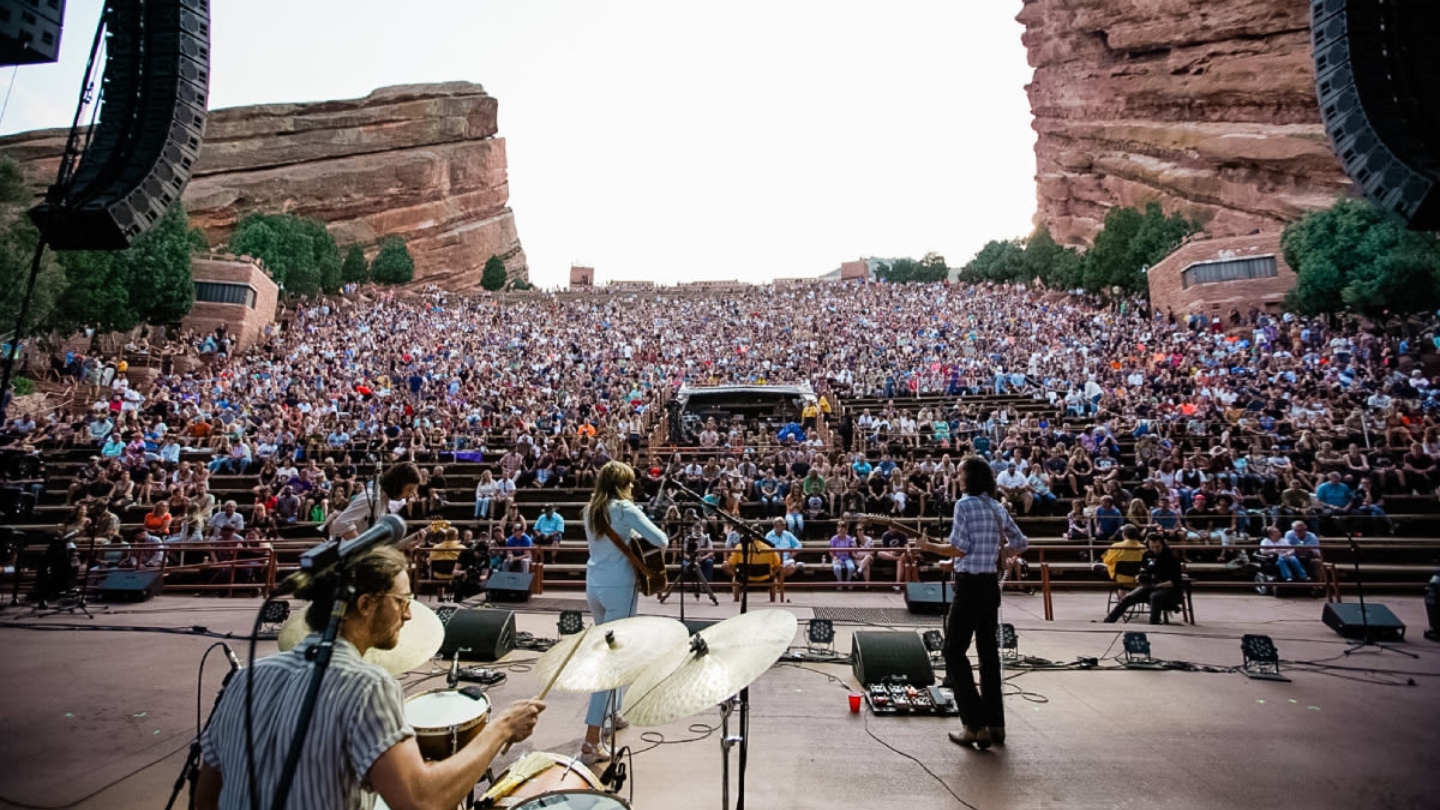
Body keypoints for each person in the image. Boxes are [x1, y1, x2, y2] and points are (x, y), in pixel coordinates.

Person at [196, 546, 545, 810]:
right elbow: (420, 802)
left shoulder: (245, 679)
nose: (409, 614)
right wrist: (501, 729)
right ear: (365, 604)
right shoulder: (368, 687)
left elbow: (205, 798)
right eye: (402, 601)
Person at [915, 456, 1027, 750]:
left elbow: (958, 549)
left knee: (953, 651)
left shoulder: (964, 505)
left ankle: (974, 725)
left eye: (961, 472)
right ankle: (996, 724)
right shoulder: (996, 506)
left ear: (969, 477)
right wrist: (1001, 551)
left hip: (969, 585)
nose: (957, 476)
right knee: (988, 653)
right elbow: (1021, 541)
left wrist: (928, 547)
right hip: (990, 584)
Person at [581, 461, 668, 765]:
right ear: (621, 484)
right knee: (611, 661)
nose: (633, 487)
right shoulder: (624, 510)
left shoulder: (589, 510)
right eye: (629, 483)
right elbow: (661, 540)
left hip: (594, 585)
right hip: (619, 587)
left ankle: (614, 712)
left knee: (610, 652)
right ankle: (591, 741)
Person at [1103, 533, 1183, 625]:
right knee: (1128, 598)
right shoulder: (1147, 555)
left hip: (1168, 589)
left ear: (1163, 545)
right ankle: (1109, 620)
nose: (1155, 549)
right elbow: (1143, 571)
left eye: (1157, 547)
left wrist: (1157, 585)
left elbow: (1175, 580)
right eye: (1152, 547)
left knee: (1155, 596)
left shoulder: (1171, 557)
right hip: (1150, 586)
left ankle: (1154, 623)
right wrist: (1141, 577)